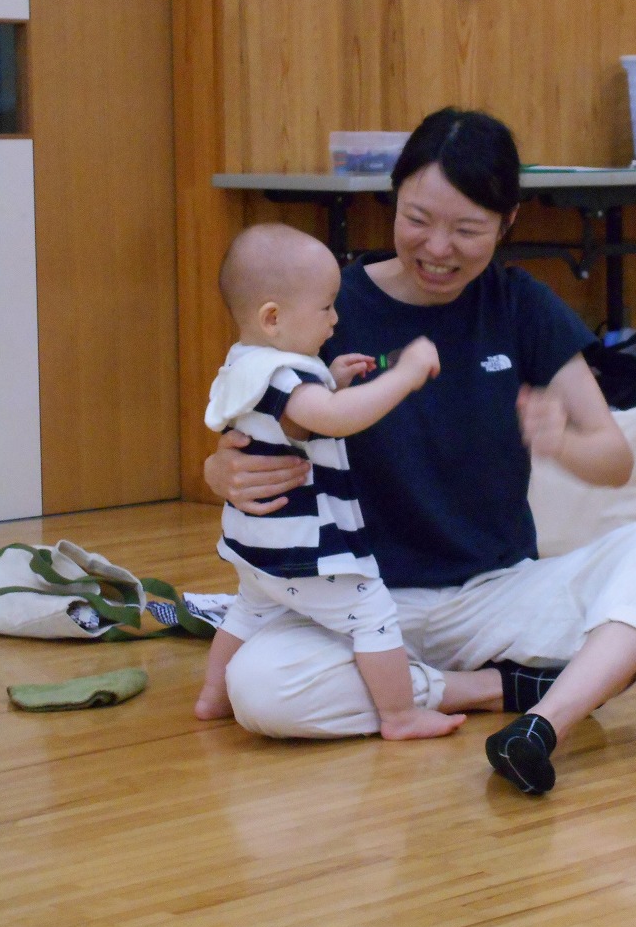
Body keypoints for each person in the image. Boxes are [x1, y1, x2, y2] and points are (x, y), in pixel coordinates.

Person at [202, 107, 636, 795]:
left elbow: (614, 459)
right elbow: (244, 426)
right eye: (418, 219)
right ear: (393, 201)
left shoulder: (520, 305)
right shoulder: (324, 305)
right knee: (261, 689)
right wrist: (218, 471)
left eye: (468, 230)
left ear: (507, 223)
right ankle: (494, 690)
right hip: (358, 603)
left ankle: (541, 726)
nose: (438, 248)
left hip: (497, 597)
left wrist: (559, 441)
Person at [196, 223, 465, 742]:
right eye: (325, 308)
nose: (336, 319)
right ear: (272, 319)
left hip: (257, 545)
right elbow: (335, 419)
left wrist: (330, 379)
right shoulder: (285, 377)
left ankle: (212, 696)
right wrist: (404, 375)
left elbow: (294, 422)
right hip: (304, 546)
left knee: (250, 610)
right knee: (371, 614)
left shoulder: (246, 364)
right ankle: (401, 715)